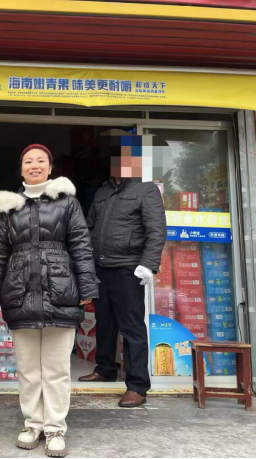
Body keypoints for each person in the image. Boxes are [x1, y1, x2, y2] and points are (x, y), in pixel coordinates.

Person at [0, 144, 99, 458]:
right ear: (21, 169)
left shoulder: (67, 202)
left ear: (50, 168)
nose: (34, 165)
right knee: (27, 368)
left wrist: (87, 286)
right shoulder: (9, 207)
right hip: (19, 292)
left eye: (40, 161)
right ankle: (32, 424)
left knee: (56, 368)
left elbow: (81, 245)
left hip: (60, 292)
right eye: (28, 161)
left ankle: (55, 428)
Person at [78, 130, 167, 408]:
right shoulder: (102, 192)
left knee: (131, 327)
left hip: (129, 269)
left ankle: (138, 385)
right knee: (104, 322)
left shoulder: (146, 190)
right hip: (101, 267)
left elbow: (157, 230)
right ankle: (105, 368)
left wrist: (148, 265)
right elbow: (89, 228)